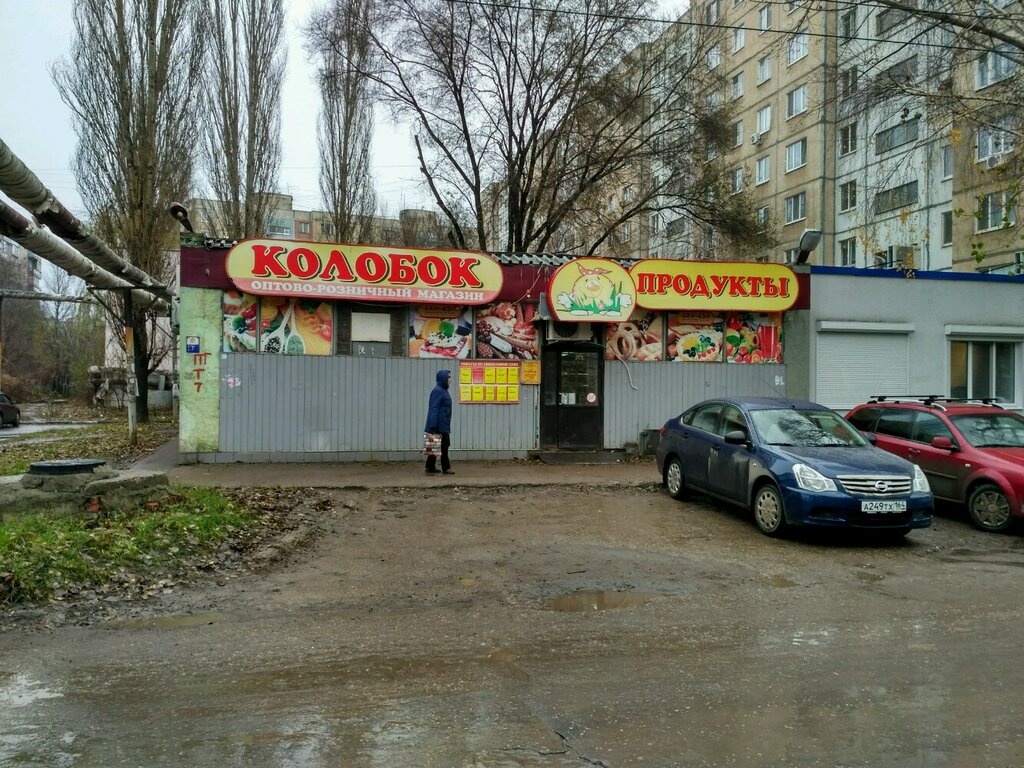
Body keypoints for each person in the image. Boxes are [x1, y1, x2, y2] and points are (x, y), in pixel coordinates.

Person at [424, 369, 454, 475]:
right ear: (443, 379)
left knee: (435, 445)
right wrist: (432, 425)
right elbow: (434, 408)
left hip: (442, 422)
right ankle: (446, 468)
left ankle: (430, 467)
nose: (450, 379)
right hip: (438, 423)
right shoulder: (438, 391)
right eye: (449, 377)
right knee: (444, 445)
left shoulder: (443, 390)